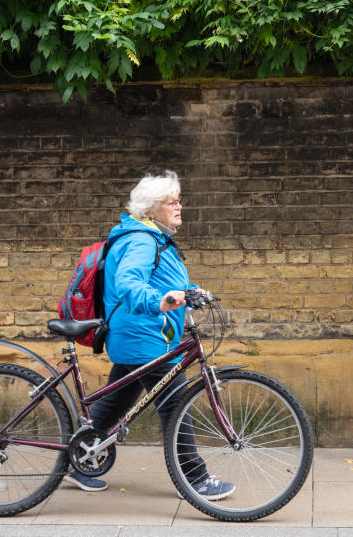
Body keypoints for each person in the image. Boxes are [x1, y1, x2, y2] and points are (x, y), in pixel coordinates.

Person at [63, 170, 234, 500]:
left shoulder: (151, 237)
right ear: (151, 209)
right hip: (143, 335)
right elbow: (129, 284)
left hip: (141, 334)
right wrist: (162, 301)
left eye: (179, 200)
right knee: (177, 403)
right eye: (171, 201)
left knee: (115, 404)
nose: (178, 206)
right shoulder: (140, 239)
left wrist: (189, 292)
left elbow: (157, 280)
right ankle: (195, 479)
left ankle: (77, 462)